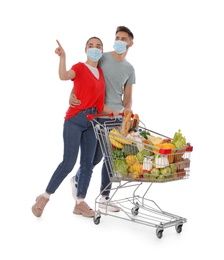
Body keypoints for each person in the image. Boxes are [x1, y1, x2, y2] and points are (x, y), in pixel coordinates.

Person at [32, 37, 117, 218]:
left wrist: (113, 113)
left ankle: (80, 202)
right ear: (85, 49)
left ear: (102, 51)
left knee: (87, 164)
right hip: (75, 120)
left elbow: (100, 105)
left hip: (92, 122)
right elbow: (63, 76)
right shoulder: (79, 67)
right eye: (91, 46)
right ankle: (44, 197)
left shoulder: (100, 73)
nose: (94, 49)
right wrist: (63, 57)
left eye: (98, 46)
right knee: (68, 163)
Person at [70, 26, 135, 212]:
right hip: (97, 113)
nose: (119, 41)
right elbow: (84, 75)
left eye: (123, 38)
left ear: (131, 43)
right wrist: (72, 94)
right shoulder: (102, 57)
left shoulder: (130, 69)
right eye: (117, 37)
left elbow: (128, 96)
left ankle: (104, 197)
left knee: (107, 157)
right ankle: (81, 180)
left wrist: (127, 110)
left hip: (115, 116)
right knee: (101, 157)